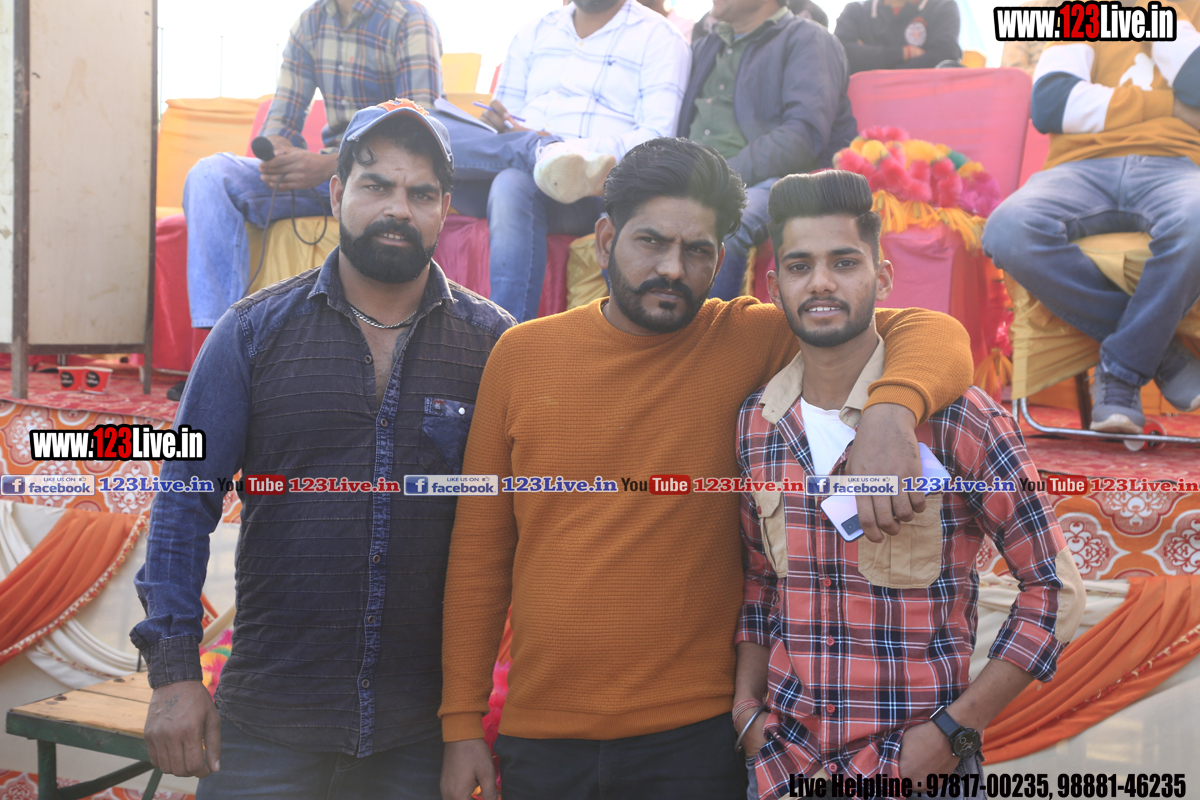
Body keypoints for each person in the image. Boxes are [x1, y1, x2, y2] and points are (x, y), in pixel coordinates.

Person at [438, 138, 975, 800]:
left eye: (696, 251)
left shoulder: (747, 337)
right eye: (651, 242)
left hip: (694, 742)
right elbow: (479, 553)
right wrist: (462, 724)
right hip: (541, 737)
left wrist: (891, 411)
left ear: (720, 261)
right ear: (604, 241)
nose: (673, 268)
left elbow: (933, 332)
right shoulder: (521, 357)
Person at [132, 100, 513, 799]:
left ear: (445, 210)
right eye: (376, 185)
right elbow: (183, 499)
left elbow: (513, 531)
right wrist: (175, 672)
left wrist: (469, 724)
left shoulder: (493, 346)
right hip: (268, 727)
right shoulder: (251, 333)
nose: (397, 208)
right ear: (336, 193)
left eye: (420, 193)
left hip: (419, 736)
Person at [735, 171, 1084, 795]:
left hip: (915, 768)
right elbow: (762, 582)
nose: (821, 282)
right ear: (774, 286)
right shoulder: (757, 423)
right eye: (799, 266)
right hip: (786, 766)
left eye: (845, 262)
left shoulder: (959, 419)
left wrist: (954, 732)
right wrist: (745, 712)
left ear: (884, 278)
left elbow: (1053, 588)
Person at [982, 10, 1200, 432]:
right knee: (1008, 229)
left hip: (1176, 165)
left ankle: (1120, 372)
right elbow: (1052, 104)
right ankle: (1161, 355)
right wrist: (1170, 105)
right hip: (1080, 167)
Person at [183, 0, 443, 332]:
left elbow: (422, 133)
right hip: (326, 177)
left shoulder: (409, 19)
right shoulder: (310, 22)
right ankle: (221, 337)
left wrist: (327, 165)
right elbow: (282, 117)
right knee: (209, 175)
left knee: (371, 170)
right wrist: (277, 153)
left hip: (383, 179)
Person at [431, 0, 690, 323]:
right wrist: (498, 126)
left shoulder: (660, 37)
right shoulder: (534, 31)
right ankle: (539, 150)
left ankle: (506, 335)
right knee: (429, 129)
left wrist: (572, 149)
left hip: (598, 190)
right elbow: (507, 117)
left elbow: (657, 139)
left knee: (509, 184)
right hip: (522, 169)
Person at [679, 0, 857, 299]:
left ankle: (712, 329)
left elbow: (802, 136)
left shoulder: (807, 38)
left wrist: (717, 178)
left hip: (774, 180)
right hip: (697, 179)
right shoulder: (706, 46)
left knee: (721, 227)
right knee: (629, 222)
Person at [834, 0, 962, 74]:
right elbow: (841, 55)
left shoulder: (942, 7)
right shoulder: (856, 11)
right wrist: (905, 53)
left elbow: (945, 55)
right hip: (864, 106)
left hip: (922, 103)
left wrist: (868, 58)